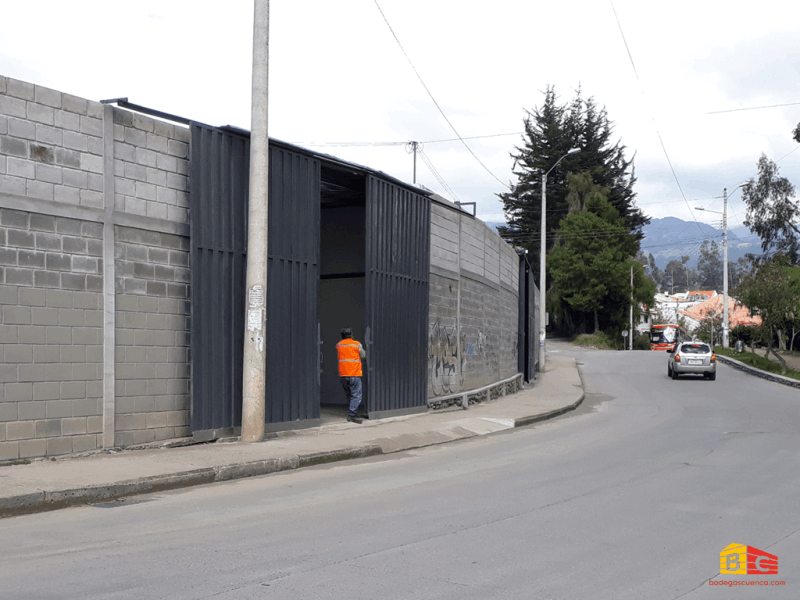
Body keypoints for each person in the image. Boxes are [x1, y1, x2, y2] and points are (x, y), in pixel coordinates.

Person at [336, 328, 366, 423]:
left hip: (343, 374)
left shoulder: (339, 345)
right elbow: (363, 355)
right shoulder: (357, 344)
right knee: (356, 395)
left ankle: (354, 412)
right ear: (352, 335)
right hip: (354, 374)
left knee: (350, 395)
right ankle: (352, 415)